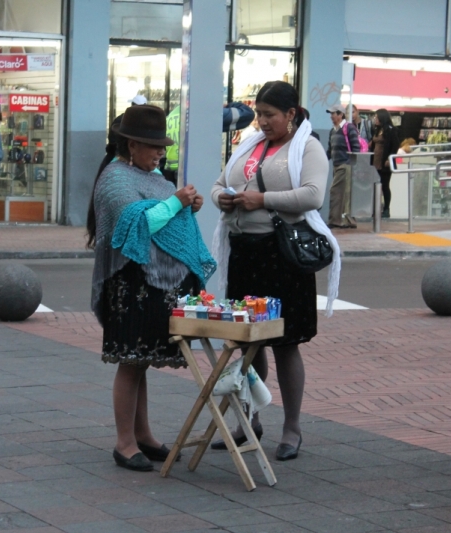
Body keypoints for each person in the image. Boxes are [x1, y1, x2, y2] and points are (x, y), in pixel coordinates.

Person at [210, 81, 341, 461]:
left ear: (291, 114)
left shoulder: (309, 146)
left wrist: (261, 199)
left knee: (285, 344)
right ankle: (247, 420)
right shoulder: (249, 144)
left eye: (270, 115)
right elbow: (221, 183)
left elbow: (313, 195)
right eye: (260, 114)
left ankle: (292, 428)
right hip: (244, 254)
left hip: (281, 256)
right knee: (247, 342)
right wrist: (226, 198)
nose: (262, 121)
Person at [87, 105, 216, 472]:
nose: (161, 153)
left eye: (162, 146)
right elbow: (139, 224)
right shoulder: (115, 179)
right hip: (130, 284)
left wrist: (186, 206)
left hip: (154, 284)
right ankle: (124, 442)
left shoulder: (152, 176)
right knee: (130, 362)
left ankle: (142, 435)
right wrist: (176, 202)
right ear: (131, 145)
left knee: (140, 363)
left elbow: (164, 213)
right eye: (154, 146)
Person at [163, 101, 255, 184]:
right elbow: (247, 114)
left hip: (172, 174)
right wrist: (226, 105)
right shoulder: (204, 113)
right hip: (198, 173)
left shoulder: (173, 114)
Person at [326, 103, 362, 228]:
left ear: (340, 115)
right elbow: (329, 150)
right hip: (337, 166)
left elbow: (356, 147)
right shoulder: (333, 131)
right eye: (331, 113)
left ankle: (335, 221)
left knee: (336, 192)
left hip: (345, 165)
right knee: (343, 194)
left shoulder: (349, 128)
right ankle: (348, 220)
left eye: (333, 113)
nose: (331, 116)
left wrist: (351, 163)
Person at [370, 109, 400, 218]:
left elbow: (395, 145)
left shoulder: (391, 130)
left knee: (385, 186)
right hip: (375, 161)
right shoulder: (377, 130)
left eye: (377, 117)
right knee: (375, 186)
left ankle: (387, 208)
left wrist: (389, 158)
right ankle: (376, 208)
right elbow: (373, 143)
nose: (375, 119)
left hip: (385, 162)